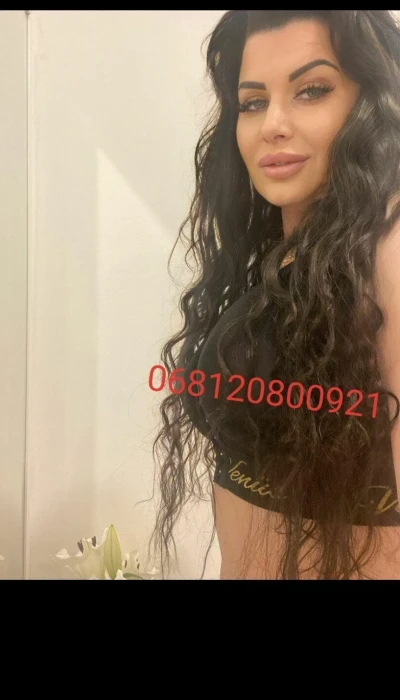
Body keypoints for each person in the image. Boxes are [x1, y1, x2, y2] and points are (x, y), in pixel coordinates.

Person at [149, 10, 400, 579]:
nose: (273, 125)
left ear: (370, 103)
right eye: (253, 102)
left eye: (312, 91)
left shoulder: (389, 244)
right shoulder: (277, 255)